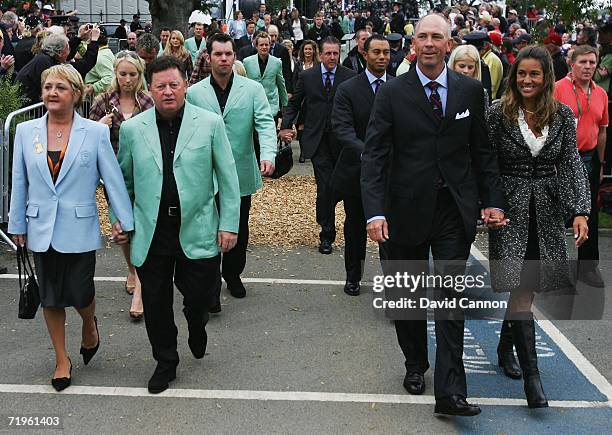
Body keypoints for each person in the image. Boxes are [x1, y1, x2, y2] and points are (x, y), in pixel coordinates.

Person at [360, 14, 505, 416]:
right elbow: (374, 155)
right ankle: (414, 362)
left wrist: (492, 200)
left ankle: (450, 393)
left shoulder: (471, 92)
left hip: (452, 212)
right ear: (413, 44)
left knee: (450, 299)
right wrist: (374, 212)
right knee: (406, 298)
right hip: (403, 209)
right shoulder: (391, 93)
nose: (428, 42)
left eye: (436, 37)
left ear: (447, 43)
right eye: (422, 36)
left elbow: (483, 153)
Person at [116, 56, 240, 394]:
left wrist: (229, 224)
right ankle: (165, 360)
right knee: (155, 302)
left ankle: (196, 321)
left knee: (201, 295)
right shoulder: (132, 130)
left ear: (185, 85)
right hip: (152, 231)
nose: (168, 92)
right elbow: (123, 183)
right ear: (150, 90)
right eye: (161, 86)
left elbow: (228, 180)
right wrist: (121, 220)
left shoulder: (211, 124)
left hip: (198, 226)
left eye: (174, 84)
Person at [8, 64, 134, 391]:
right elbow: (19, 181)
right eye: (48, 87)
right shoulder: (26, 131)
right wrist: (17, 222)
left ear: (75, 93)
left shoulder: (94, 133)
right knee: (50, 298)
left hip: (79, 227)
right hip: (40, 228)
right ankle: (62, 359)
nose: (52, 92)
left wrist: (124, 221)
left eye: (60, 88)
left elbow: (112, 179)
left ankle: (89, 324)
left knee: (81, 293)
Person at [488, 46, 591, 408]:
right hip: (510, 208)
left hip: (547, 210)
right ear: (514, 77)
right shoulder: (497, 114)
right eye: (521, 74)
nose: (527, 80)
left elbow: (572, 163)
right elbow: (485, 162)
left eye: (535, 74)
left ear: (547, 77)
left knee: (526, 287)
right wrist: (488, 204)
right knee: (521, 285)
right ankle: (533, 380)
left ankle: (505, 348)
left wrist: (580, 211)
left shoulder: (562, 115)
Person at [187, 33, 276, 308]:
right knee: (208, 229)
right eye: (218, 54)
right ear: (209, 57)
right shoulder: (195, 93)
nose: (224, 59)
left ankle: (233, 274)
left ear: (234, 56)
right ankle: (211, 285)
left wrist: (268, 153)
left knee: (238, 226)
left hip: (240, 172)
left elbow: (264, 122)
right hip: (205, 174)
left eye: (228, 54)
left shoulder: (252, 90)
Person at [88, 51, 154, 319]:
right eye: (123, 73)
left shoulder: (147, 101)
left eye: (133, 74)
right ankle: (132, 267)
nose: (127, 79)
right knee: (123, 226)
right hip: (113, 175)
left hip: (146, 174)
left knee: (143, 225)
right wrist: (100, 126)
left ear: (140, 76)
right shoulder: (103, 102)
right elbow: (87, 136)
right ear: (115, 74)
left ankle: (140, 286)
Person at [280, 37, 356, 255]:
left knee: (337, 186)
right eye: (328, 54)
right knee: (325, 185)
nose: (332, 57)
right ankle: (326, 233)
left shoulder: (349, 77)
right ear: (320, 55)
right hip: (317, 140)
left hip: (342, 141)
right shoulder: (308, 76)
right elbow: (294, 104)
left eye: (335, 53)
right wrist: (286, 126)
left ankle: (331, 218)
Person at [331, 34, 391, 296]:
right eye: (376, 52)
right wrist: (368, 152)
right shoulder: (348, 89)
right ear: (364, 54)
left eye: (386, 52)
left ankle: (394, 285)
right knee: (355, 226)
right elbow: (341, 128)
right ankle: (353, 276)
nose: (382, 57)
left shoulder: (400, 87)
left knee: (392, 231)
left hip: (392, 173)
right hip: (356, 170)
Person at [554, 45, 609, 288]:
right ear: (571, 64)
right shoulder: (557, 89)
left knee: (590, 214)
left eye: (591, 62)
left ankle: (587, 268)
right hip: (561, 160)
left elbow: (602, 130)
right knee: (555, 214)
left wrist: (601, 162)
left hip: (589, 158)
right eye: (582, 62)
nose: (588, 67)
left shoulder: (601, 94)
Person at [243, 32, 288, 118]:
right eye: (261, 45)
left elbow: (281, 84)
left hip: (272, 106)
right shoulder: (247, 62)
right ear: (256, 46)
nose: (264, 47)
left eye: (266, 45)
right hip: (253, 105)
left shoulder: (277, 62)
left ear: (270, 45)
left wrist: (285, 104)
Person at [84, 27, 114, 96]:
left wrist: (93, 87)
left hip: (97, 100)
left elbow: (109, 79)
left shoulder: (100, 57)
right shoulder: (106, 52)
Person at [267, 25, 293, 93]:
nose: (273, 38)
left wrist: (288, 90)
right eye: (271, 35)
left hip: (279, 87)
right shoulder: (260, 50)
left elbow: (287, 71)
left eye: (275, 36)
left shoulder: (283, 50)